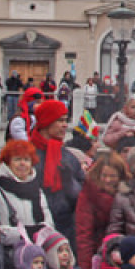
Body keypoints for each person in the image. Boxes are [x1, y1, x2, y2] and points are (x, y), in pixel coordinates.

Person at [27, 99, 86, 241]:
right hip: (34, 226)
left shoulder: (69, 157)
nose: (65, 125)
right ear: (47, 122)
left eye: (66, 120)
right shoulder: (27, 155)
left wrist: (69, 182)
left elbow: (83, 195)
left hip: (67, 228)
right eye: (60, 120)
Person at [73, 152, 126, 268]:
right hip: (98, 253)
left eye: (112, 176)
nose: (108, 180)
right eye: (104, 175)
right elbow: (84, 235)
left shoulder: (127, 194)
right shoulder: (89, 193)